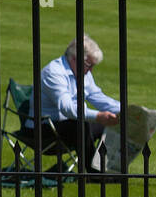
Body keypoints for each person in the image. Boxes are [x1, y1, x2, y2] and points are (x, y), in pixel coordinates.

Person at [25, 35, 120, 164]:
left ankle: (107, 167)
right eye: (88, 65)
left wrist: (125, 111)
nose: (91, 70)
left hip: (66, 125)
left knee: (111, 123)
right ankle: (95, 174)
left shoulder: (84, 73)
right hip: (43, 129)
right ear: (75, 59)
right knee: (81, 124)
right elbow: (67, 108)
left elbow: (98, 97)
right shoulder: (54, 73)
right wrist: (98, 116)